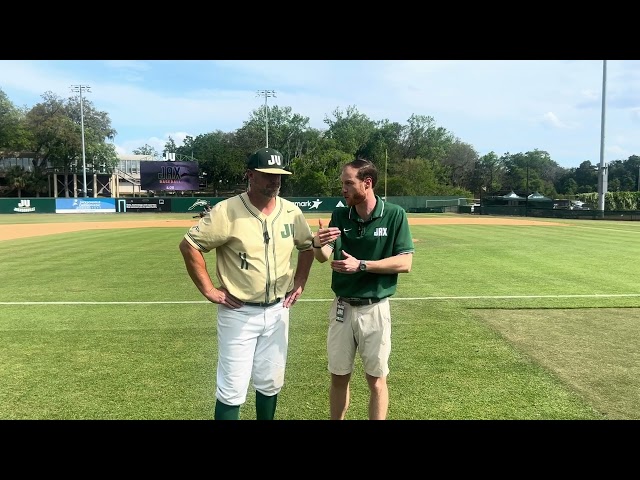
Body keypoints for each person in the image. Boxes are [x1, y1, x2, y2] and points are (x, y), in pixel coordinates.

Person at [179, 147, 315, 420]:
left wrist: (299, 281)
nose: (274, 181)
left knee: (270, 382)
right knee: (232, 389)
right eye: (267, 175)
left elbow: (308, 246)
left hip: (278, 311)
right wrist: (209, 290)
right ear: (250, 175)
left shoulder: (291, 212)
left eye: (278, 175)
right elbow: (190, 245)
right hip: (238, 312)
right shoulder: (227, 210)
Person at [312, 157, 414, 420]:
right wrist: (316, 244)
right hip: (342, 308)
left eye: (348, 183)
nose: (342, 189)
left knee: (376, 380)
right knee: (338, 377)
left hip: (375, 309)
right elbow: (324, 256)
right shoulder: (339, 214)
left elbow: (405, 262)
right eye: (342, 183)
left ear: (367, 183)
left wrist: (362, 265)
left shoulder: (394, 214)